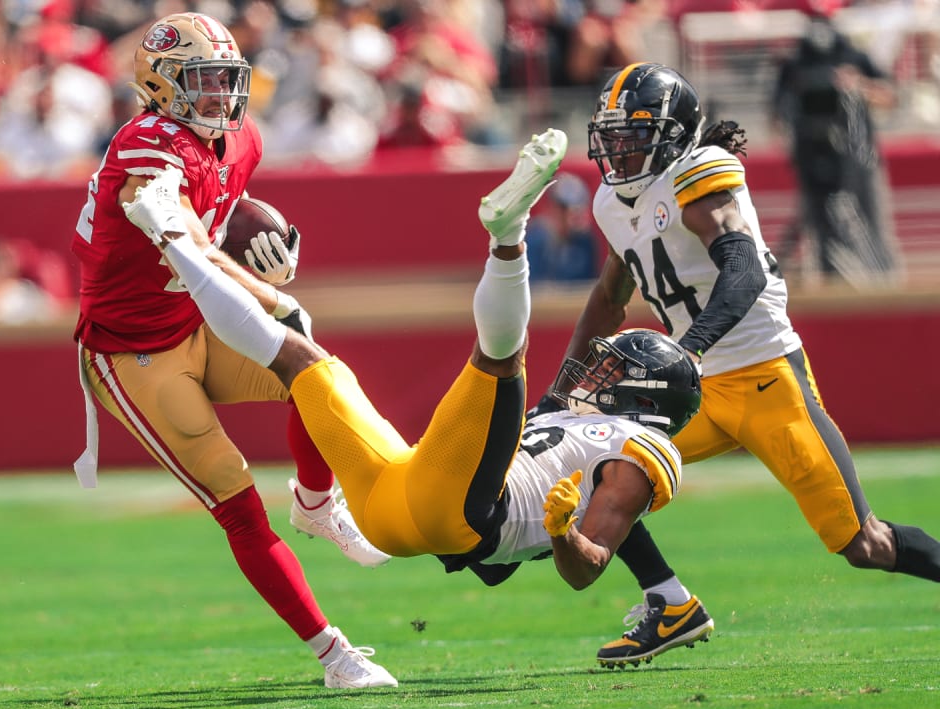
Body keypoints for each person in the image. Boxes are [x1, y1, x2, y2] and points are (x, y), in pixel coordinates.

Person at [121, 130, 704, 601]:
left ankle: (509, 237)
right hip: (392, 506)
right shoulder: (578, 416)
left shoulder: (640, 450)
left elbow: (585, 571)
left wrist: (563, 532)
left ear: (644, 399)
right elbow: (593, 329)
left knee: (502, 358)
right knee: (294, 351)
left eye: (615, 371)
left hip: (465, 511)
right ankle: (171, 239)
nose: (596, 373)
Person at [530, 62, 940, 669]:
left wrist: (689, 349)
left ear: (674, 136)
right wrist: (562, 393)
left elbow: (743, 269)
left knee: (864, 544)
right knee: (595, 464)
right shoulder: (612, 201)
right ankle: (670, 604)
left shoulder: (699, 174)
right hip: (690, 389)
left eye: (635, 135)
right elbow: (610, 297)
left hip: (763, 375)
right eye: (612, 136)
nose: (619, 150)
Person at [69, 12, 395, 690]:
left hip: (194, 321)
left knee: (317, 374)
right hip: (133, 353)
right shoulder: (146, 146)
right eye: (202, 80)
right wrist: (266, 290)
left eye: (225, 78)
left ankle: (315, 502)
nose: (220, 94)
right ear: (159, 85)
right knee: (238, 502)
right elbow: (186, 240)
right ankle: (335, 657)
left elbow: (218, 207)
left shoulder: (241, 139)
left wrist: (264, 244)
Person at [772, 14, 900, 287]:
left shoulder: (853, 57)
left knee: (869, 225)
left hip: (858, 160)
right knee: (823, 231)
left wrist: (858, 86)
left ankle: (884, 285)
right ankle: (833, 284)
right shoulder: (794, 64)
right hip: (811, 159)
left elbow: (890, 97)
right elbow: (775, 117)